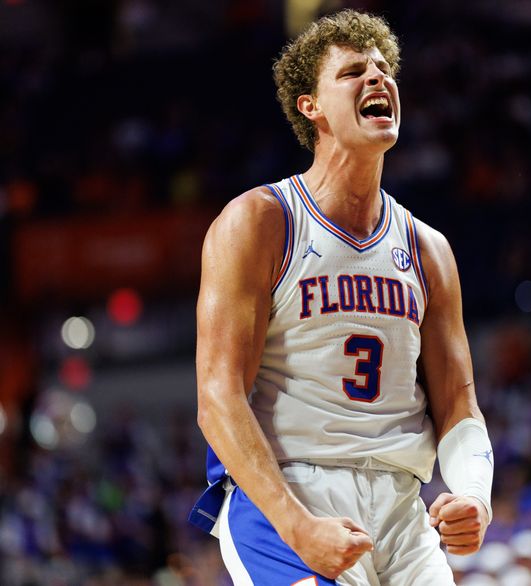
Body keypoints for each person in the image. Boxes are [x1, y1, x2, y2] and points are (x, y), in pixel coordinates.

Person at [189, 9, 494, 585]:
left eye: (384, 69)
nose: (378, 78)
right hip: (288, 489)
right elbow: (217, 397)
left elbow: (459, 404)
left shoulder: (427, 249)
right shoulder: (259, 222)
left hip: (402, 505)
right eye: (354, 72)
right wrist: (296, 523)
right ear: (312, 106)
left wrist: (475, 494)